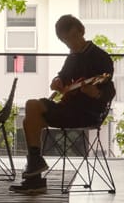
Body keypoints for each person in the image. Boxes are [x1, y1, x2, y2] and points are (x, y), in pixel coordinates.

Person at [12, 13, 116, 192]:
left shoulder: (101, 57)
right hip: (68, 109)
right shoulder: (72, 57)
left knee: (31, 116)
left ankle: (35, 178)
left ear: (82, 31)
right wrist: (57, 81)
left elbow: (109, 90)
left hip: (87, 114)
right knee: (31, 112)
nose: (71, 43)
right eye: (66, 41)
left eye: (73, 37)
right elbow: (62, 77)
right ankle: (35, 171)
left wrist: (96, 93)